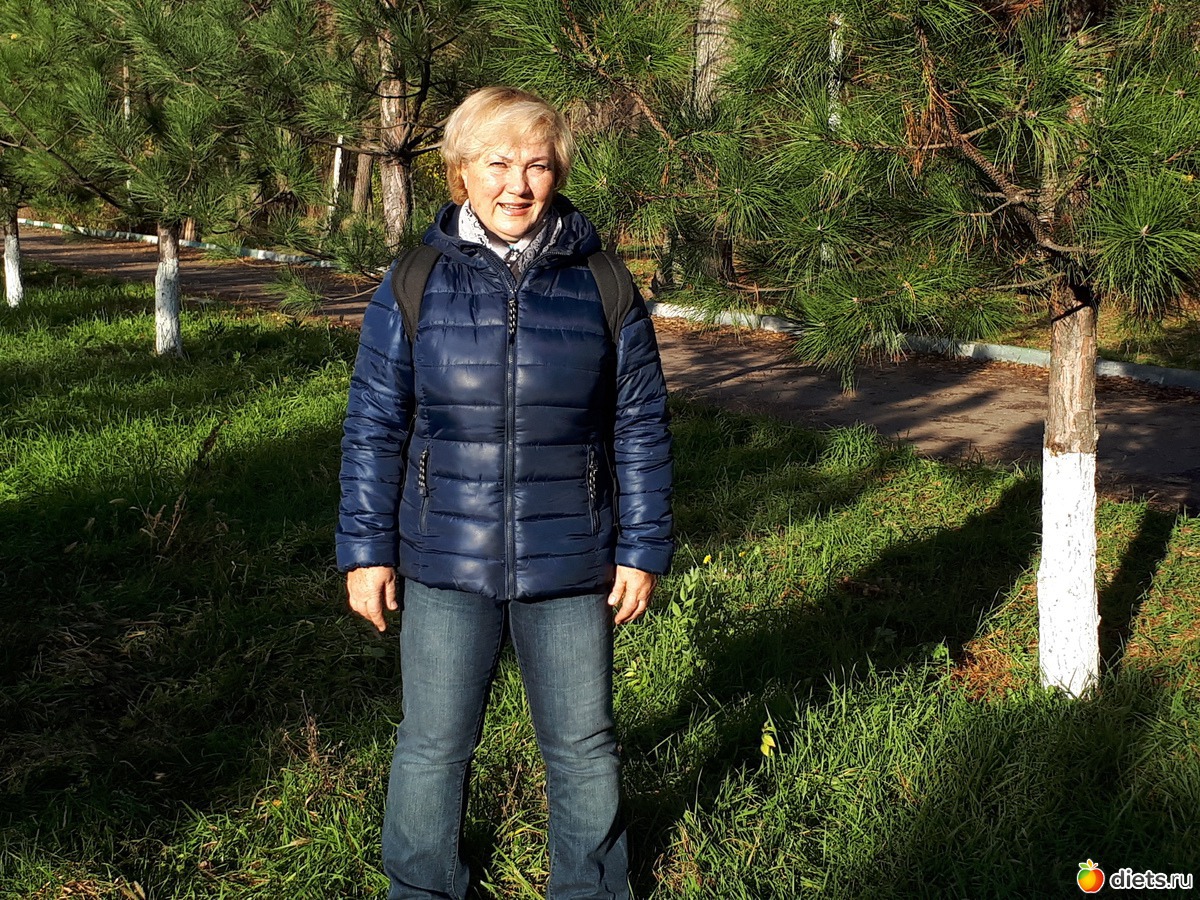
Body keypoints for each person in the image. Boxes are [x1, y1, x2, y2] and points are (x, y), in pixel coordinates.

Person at [336, 85, 674, 900]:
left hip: (571, 556)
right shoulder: (415, 279)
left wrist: (642, 548)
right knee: (432, 745)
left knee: (584, 747)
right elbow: (375, 424)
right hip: (444, 556)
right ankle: (422, 889)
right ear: (461, 171)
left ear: (558, 173)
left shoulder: (604, 283)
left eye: (537, 165)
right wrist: (366, 552)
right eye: (497, 163)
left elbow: (640, 426)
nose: (517, 185)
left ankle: (590, 890)